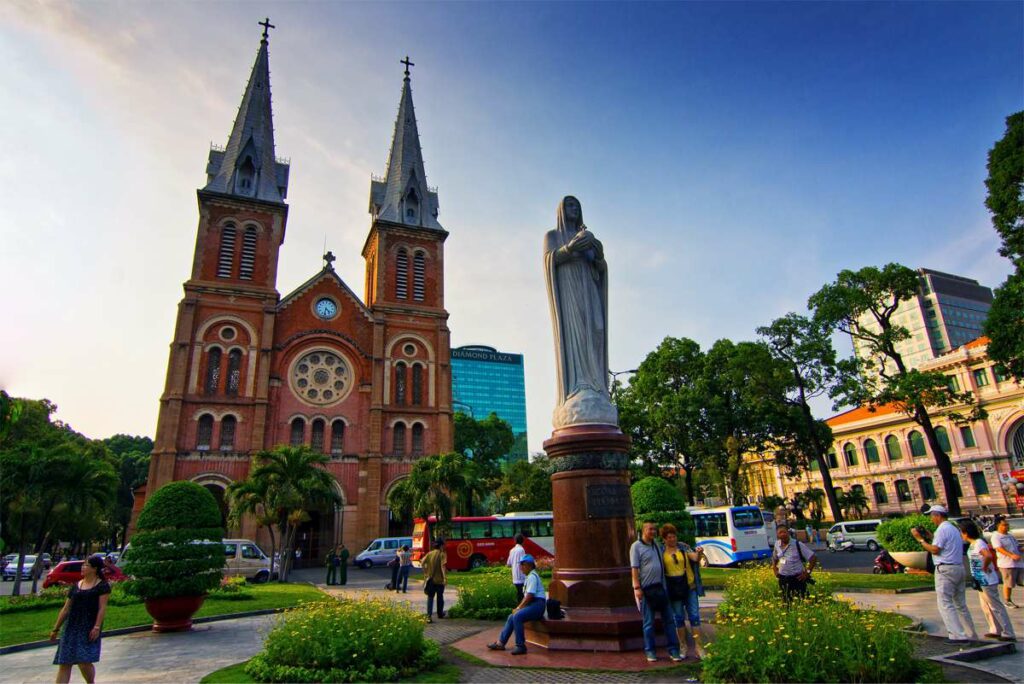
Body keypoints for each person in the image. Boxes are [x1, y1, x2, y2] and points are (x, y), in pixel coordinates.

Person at [912, 504, 978, 642]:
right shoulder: (953, 528)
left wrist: (920, 539)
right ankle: (971, 633)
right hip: (958, 567)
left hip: (945, 569)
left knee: (945, 603)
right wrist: (930, 535)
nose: (931, 519)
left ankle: (957, 635)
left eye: (932, 516)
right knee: (960, 604)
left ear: (937, 515)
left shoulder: (942, 530)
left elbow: (935, 550)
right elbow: (944, 544)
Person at [50, 555, 110, 684]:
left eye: (86, 565)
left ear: (94, 568)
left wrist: (97, 627)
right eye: (83, 565)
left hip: (88, 626)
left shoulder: (102, 586)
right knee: (65, 662)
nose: (83, 567)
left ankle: (90, 682)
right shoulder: (76, 586)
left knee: (84, 660)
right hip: (71, 626)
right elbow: (66, 609)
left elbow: (102, 608)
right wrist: (56, 628)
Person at [630, 521, 683, 663]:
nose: (652, 531)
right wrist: (636, 587)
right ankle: (650, 651)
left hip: (661, 588)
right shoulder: (636, 547)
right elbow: (634, 568)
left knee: (669, 621)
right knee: (648, 623)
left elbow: (674, 548)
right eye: (650, 529)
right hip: (646, 589)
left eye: (654, 529)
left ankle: (674, 650)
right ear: (643, 530)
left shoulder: (657, 546)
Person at [961, 521, 1015, 642]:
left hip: (987, 580)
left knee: (995, 606)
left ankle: (1008, 632)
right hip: (980, 580)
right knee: (986, 606)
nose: (961, 535)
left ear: (966, 533)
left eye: (962, 533)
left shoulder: (979, 543)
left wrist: (984, 567)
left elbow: (988, 556)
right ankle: (995, 629)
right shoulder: (973, 544)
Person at [661, 523, 707, 659]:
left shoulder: (683, 547)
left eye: (674, 536)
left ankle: (699, 647)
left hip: (689, 586)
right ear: (664, 538)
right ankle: (683, 646)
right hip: (673, 588)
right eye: (669, 537)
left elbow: (694, 558)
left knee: (694, 616)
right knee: (678, 618)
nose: (672, 539)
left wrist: (699, 553)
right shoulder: (661, 551)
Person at [487, 554, 547, 656]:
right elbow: (527, 596)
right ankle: (501, 643)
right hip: (534, 604)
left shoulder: (532, 577)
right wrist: (518, 608)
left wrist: (519, 608)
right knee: (511, 617)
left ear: (529, 565)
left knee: (517, 616)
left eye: (523, 565)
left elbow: (529, 596)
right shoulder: (529, 576)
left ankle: (520, 646)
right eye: (520, 564)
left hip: (537, 606)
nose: (521, 567)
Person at [771, 526, 817, 601]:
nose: (783, 534)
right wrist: (775, 569)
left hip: (797, 579)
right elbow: (775, 557)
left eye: (784, 532)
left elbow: (813, 558)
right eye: (780, 533)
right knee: (786, 602)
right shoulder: (777, 544)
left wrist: (807, 573)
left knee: (802, 601)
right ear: (777, 535)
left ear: (788, 533)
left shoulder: (797, 544)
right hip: (783, 579)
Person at [990, 516, 1023, 608]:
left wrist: (1021, 549)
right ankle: (1007, 600)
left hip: (1018, 563)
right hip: (1006, 563)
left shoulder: (1010, 535)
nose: (1006, 527)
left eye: (1007, 525)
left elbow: (1017, 547)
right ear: (998, 526)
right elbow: (999, 548)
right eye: (1004, 525)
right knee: (1009, 583)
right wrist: (1011, 555)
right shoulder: (996, 536)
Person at [421, 538, 447, 623]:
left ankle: (429, 616)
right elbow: (443, 566)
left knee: (430, 598)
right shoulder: (442, 554)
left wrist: (426, 572)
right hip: (439, 580)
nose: (444, 546)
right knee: (440, 597)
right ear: (440, 546)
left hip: (430, 580)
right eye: (443, 545)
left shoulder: (429, 554)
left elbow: (422, 562)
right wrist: (444, 578)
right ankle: (440, 614)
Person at [507, 534, 527, 602]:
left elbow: (508, 564)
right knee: (522, 594)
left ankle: (519, 607)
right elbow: (523, 562)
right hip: (521, 576)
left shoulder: (512, 550)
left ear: (515, 541)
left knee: (518, 593)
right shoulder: (521, 550)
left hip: (515, 576)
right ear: (522, 541)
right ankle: (522, 608)